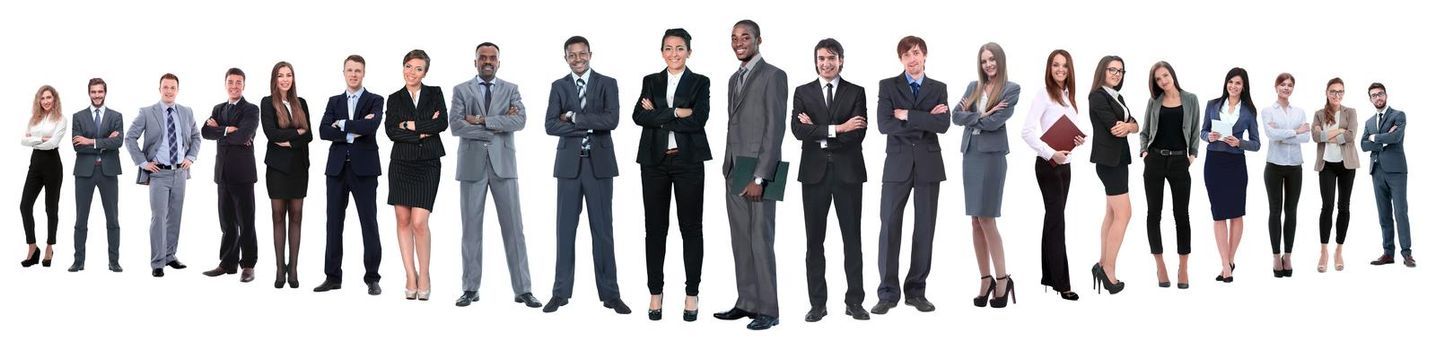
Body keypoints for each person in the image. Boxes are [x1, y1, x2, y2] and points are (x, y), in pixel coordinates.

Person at [448, 43, 544, 308]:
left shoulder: (511, 89)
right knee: (471, 230)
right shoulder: (461, 90)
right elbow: (456, 125)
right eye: (482, 58)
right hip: (471, 167)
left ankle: (523, 289)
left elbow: (520, 121)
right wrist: (497, 124)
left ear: (499, 62)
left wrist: (479, 121)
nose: (487, 61)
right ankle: (470, 288)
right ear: (475, 61)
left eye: (492, 58)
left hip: (504, 166)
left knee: (515, 228)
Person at [542, 36, 627, 314]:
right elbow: (550, 125)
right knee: (564, 232)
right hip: (568, 168)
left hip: (599, 166)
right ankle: (560, 293)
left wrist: (575, 118)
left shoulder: (607, 83)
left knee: (603, 232)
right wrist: (590, 125)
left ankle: (611, 295)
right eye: (572, 55)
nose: (578, 59)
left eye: (582, 54)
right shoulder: (559, 86)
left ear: (590, 53)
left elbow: (611, 120)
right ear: (565, 57)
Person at [712, 19, 786, 331]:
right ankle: (747, 302)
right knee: (740, 241)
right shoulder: (733, 78)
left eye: (745, 36)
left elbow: (775, 128)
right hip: (734, 168)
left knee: (760, 240)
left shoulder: (774, 76)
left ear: (758, 39)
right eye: (734, 37)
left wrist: (760, 177)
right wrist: (728, 165)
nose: (739, 42)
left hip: (760, 170)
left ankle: (769, 309)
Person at [635, 28, 712, 322]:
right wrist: (677, 112)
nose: (674, 54)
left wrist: (660, 113)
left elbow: (699, 119)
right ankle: (656, 291)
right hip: (653, 163)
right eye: (668, 48)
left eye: (680, 48)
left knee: (691, 228)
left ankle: (691, 293)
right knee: (654, 230)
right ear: (662, 51)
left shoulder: (700, 82)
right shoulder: (650, 81)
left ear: (689, 52)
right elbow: (638, 116)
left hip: (688, 162)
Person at [791, 38, 869, 321]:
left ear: (842, 60)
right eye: (821, 58)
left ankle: (855, 301)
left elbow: (857, 134)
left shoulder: (856, 92)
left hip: (848, 174)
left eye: (832, 58)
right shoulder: (802, 91)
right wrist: (838, 128)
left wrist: (820, 131)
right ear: (816, 61)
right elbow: (798, 131)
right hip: (813, 175)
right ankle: (817, 304)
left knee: (852, 240)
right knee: (814, 242)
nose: (826, 63)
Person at [872, 35, 951, 314]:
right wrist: (924, 118)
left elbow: (943, 125)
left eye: (916, 53)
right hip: (897, 165)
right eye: (906, 55)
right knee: (890, 226)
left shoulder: (938, 87)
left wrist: (907, 114)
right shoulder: (888, 86)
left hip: (929, 166)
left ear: (925, 55)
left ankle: (916, 291)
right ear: (901, 59)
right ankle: (887, 293)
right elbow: (884, 125)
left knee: (924, 229)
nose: (912, 59)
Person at [951, 42, 1021, 308]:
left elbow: (995, 122)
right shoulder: (973, 87)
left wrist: (978, 115)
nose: (988, 64)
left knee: (987, 218)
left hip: (992, 158)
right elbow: (955, 116)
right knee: (974, 221)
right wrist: (983, 113)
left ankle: (1002, 279)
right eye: (984, 61)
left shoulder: (1011, 89)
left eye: (992, 59)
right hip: (970, 155)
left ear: (1000, 61)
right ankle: (985, 278)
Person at [315, 55, 385, 295]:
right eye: (349, 70)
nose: (353, 74)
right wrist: (354, 129)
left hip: (365, 170)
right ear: (343, 72)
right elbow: (323, 131)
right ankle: (332, 276)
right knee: (333, 223)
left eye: (358, 70)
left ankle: (372, 278)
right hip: (336, 170)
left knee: (369, 223)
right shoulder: (333, 101)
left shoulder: (375, 100)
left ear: (364, 73)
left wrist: (342, 124)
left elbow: (371, 127)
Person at [1020, 49, 1084, 301]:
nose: (1060, 70)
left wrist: (1075, 141)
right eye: (1056, 65)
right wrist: (1050, 153)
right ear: (1049, 68)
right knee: (1057, 222)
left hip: (1065, 166)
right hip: (1048, 166)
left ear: (1070, 70)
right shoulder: (1044, 94)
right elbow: (1026, 132)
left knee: (1053, 220)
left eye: (1064, 66)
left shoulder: (1069, 96)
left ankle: (1049, 277)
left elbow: (1063, 129)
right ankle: (1063, 283)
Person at [125, 73, 201, 278]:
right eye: (165, 87)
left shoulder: (186, 112)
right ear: (160, 89)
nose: (169, 91)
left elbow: (196, 137)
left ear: (178, 90)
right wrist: (143, 163)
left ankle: (170, 256)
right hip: (158, 174)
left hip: (181, 172)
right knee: (158, 218)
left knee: (175, 216)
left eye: (172, 88)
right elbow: (130, 138)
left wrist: (191, 157)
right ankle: (157, 262)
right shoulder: (147, 113)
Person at [386, 49, 447, 300]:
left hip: (428, 163)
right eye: (409, 67)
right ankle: (410, 275)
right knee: (402, 220)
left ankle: (425, 274)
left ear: (425, 72)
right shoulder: (394, 98)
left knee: (420, 223)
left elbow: (441, 123)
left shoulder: (435, 93)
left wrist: (409, 125)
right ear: (403, 68)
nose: (412, 72)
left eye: (418, 68)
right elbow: (391, 131)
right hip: (401, 164)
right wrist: (423, 129)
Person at [1138, 61, 1200, 289]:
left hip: (1179, 161)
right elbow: (1144, 131)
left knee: (1182, 215)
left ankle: (1183, 267)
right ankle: (1160, 264)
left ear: (1172, 74)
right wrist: (1144, 151)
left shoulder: (1191, 99)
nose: (1163, 81)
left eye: (1165, 75)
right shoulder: (1153, 102)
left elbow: (1194, 131)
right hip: (1154, 160)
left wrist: (1191, 156)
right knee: (1153, 214)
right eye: (1158, 79)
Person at [1201, 67, 1262, 283]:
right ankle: (1224, 264)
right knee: (1218, 214)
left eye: (1238, 83)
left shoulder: (1248, 111)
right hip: (1214, 163)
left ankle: (1230, 260)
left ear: (1243, 86)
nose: (1233, 86)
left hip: (1236, 164)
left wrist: (1240, 142)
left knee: (1236, 213)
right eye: (1230, 82)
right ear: (1226, 83)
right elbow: (1202, 132)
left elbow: (1256, 144)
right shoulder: (1212, 105)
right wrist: (1210, 136)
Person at [199, 68, 260, 283]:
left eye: (238, 82)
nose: (234, 86)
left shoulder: (251, 109)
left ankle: (249, 265)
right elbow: (205, 132)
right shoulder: (218, 108)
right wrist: (228, 130)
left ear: (244, 85)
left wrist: (223, 131)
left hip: (243, 174)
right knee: (226, 222)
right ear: (225, 83)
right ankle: (227, 263)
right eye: (231, 82)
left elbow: (245, 134)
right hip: (222, 174)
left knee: (246, 221)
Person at [1087, 55, 1137, 294]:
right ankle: (1108, 270)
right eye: (1112, 70)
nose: (1117, 74)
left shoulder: (1117, 96)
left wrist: (1130, 126)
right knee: (1125, 213)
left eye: (1121, 71)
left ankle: (1101, 263)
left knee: (1112, 213)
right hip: (1109, 161)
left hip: (1119, 161)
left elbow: (1134, 123)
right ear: (1102, 71)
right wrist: (1128, 126)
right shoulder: (1097, 95)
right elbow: (1115, 127)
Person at [260, 62, 313, 288]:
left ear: (293, 78)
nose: (285, 79)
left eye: (288, 75)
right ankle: (280, 269)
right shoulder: (267, 102)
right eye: (280, 75)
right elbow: (271, 134)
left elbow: (309, 135)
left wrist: (287, 139)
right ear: (274, 79)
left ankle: (293, 269)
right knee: (278, 216)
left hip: (299, 168)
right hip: (277, 169)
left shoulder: (300, 103)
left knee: (297, 217)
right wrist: (296, 134)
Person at [69, 78, 125, 273]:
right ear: (89, 93)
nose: (97, 95)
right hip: (84, 173)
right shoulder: (78, 116)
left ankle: (114, 261)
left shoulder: (116, 116)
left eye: (100, 92)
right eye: (93, 92)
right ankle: (78, 261)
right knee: (81, 218)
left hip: (108, 172)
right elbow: (77, 146)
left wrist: (90, 141)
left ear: (105, 93)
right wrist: (103, 142)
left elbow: (118, 143)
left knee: (113, 219)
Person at [1260, 73, 1310, 278]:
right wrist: (1295, 131)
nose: (1286, 88)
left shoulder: (1299, 111)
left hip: (1295, 166)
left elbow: (1306, 137)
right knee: (1274, 211)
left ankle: (1288, 255)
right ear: (1276, 87)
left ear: (1293, 88)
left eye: (1290, 85)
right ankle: (1275, 255)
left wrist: (1286, 132)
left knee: (1291, 211)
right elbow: (1271, 135)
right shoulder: (1267, 111)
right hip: (1274, 166)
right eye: (1283, 84)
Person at [1361, 82, 1412, 268]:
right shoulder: (1368, 122)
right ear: (1370, 99)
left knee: (1400, 212)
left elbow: (1396, 137)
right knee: (1384, 215)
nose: (1378, 97)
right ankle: (1388, 253)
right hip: (1377, 171)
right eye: (1374, 95)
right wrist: (1382, 139)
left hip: (1397, 171)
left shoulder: (1398, 115)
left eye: (1380, 94)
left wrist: (1375, 137)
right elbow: (1363, 145)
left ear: (1386, 95)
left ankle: (1407, 253)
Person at [1311, 78, 1359, 272]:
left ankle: (1339, 249)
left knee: (1344, 207)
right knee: (1327, 206)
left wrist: (1327, 133)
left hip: (1347, 165)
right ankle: (1324, 251)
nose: (1336, 95)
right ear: (1327, 92)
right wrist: (1338, 131)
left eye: (1340, 91)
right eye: (1333, 91)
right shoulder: (1319, 114)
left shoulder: (1351, 112)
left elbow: (1351, 135)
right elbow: (1315, 137)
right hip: (1327, 165)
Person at [19, 85, 67, 268]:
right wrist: (43, 139)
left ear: (54, 99)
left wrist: (36, 140)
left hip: (53, 165)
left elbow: (53, 143)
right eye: (43, 98)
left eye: (49, 97)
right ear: (39, 100)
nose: (46, 101)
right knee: (24, 205)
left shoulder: (61, 119)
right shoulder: (34, 119)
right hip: (35, 164)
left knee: (51, 208)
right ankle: (32, 247)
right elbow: (23, 140)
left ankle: (49, 247)